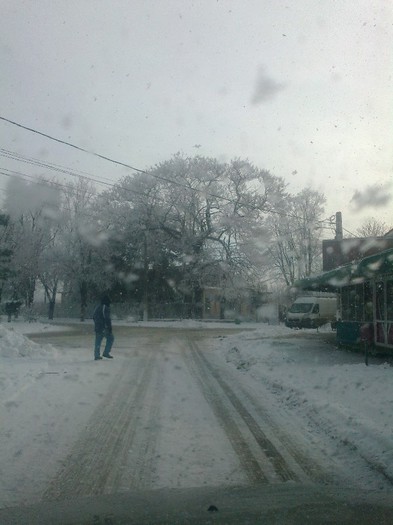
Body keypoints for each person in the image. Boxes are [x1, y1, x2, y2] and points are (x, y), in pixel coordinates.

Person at [93, 294, 114, 360]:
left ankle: (96, 355)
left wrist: (97, 324)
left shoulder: (98, 307)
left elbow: (94, 316)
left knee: (98, 341)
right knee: (111, 338)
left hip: (98, 327)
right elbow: (107, 318)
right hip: (104, 327)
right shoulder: (105, 307)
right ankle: (106, 352)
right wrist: (109, 327)